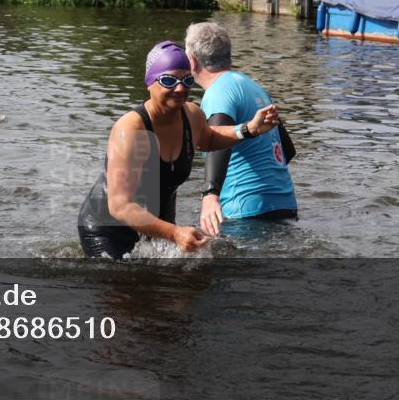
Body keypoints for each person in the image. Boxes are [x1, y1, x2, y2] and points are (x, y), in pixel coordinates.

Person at [76, 41, 280, 259]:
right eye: (169, 80)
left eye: (187, 80)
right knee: (126, 288)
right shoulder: (131, 129)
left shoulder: (191, 115)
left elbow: (209, 138)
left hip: (157, 219)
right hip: (108, 228)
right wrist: (175, 233)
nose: (180, 88)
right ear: (149, 82)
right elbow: (120, 206)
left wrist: (248, 129)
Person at [184, 22, 298, 237]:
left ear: (192, 60)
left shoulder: (218, 91)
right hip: (284, 203)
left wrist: (210, 193)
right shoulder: (253, 86)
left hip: (245, 210)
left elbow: (216, 138)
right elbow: (287, 152)